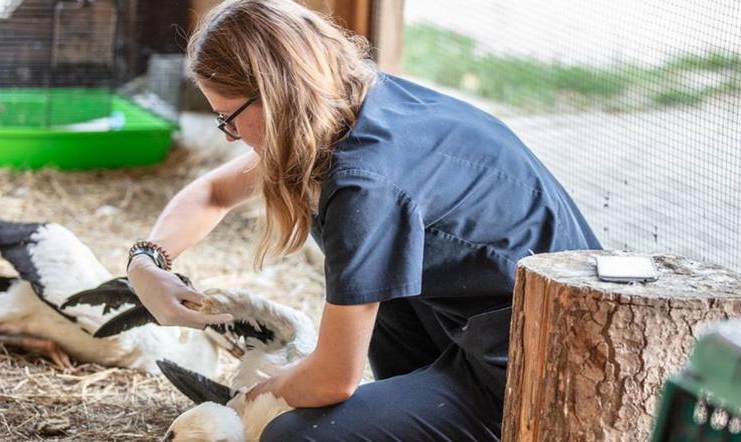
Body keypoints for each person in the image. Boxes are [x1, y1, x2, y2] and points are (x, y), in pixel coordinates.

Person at [125, 0, 602, 440]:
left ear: (274, 93)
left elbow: (333, 377)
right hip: (487, 325)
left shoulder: (364, 182)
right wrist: (146, 263)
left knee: (289, 435)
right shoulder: (353, 96)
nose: (228, 136)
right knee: (374, 286)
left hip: (536, 371)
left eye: (227, 117)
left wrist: (249, 402)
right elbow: (212, 191)